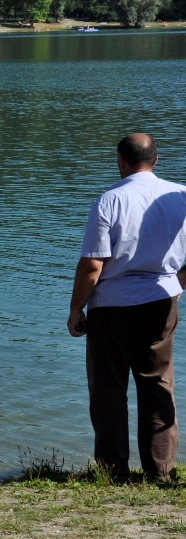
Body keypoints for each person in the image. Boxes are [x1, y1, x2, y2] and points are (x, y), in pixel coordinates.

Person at [67, 133, 183, 483]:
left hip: (113, 306)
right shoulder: (180, 196)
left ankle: (113, 470)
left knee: (109, 388)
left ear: (121, 161)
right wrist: (177, 284)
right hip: (162, 300)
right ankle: (160, 471)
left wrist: (76, 310)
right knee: (158, 385)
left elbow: (93, 265)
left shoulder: (110, 200)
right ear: (156, 160)